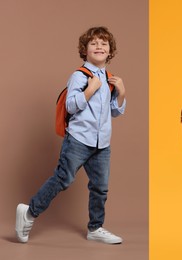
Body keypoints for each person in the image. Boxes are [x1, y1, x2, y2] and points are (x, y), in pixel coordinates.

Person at [16, 26, 130, 245]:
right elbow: (70, 106)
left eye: (104, 43)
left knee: (100, 187)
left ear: (110, 51)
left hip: (102, 143)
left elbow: (113, 111)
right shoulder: (80, 76)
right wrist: (90, 90)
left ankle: (95, 228)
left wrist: (122, 92)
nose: (99, 46)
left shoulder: (109, 79)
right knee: (63, 179)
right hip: (79, 139)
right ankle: (29, 212)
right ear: (85, 50)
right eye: (94, 43)